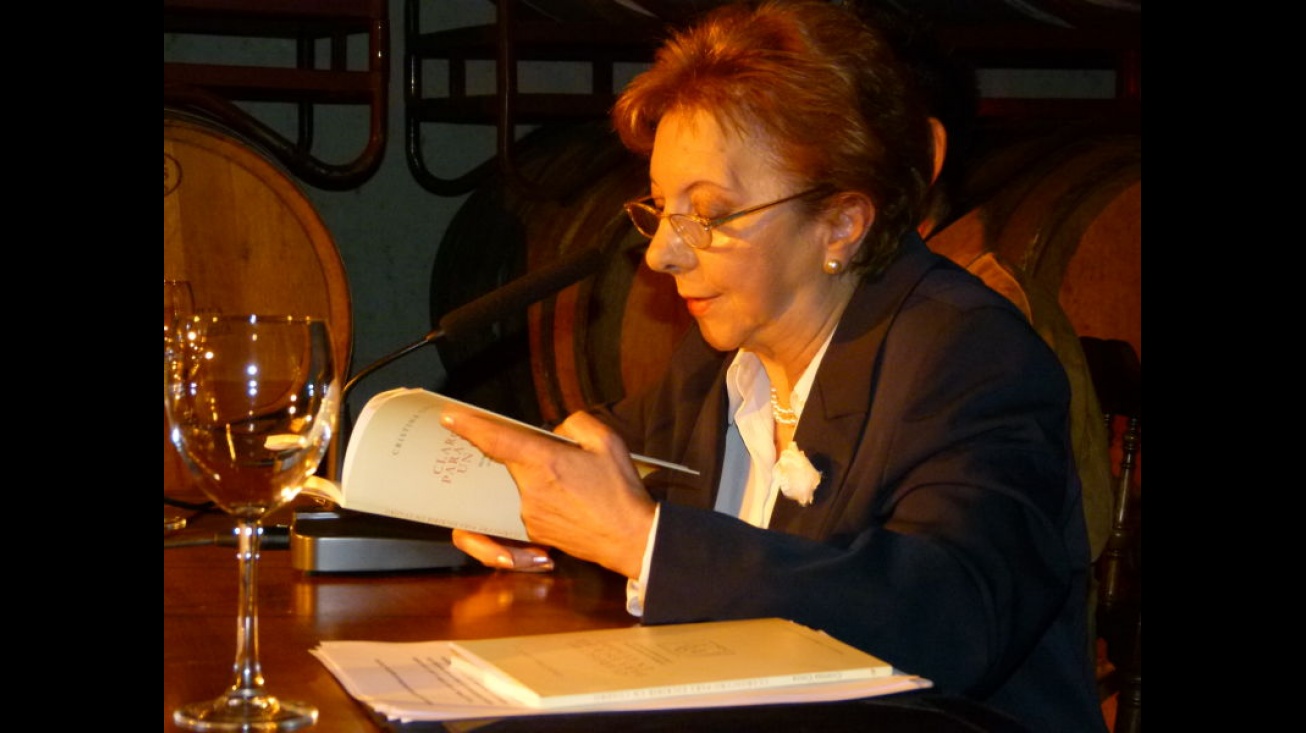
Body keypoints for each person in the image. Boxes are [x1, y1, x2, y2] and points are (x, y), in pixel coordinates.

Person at [440, 1, 1106, 730]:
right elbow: (599, 452)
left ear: (842, 223)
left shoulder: (970, 354)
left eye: (710, 214)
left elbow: (944, 622)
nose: (662, 253)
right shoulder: (726, 361)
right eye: (661, 208)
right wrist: (512, 497)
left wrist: (639, 540)